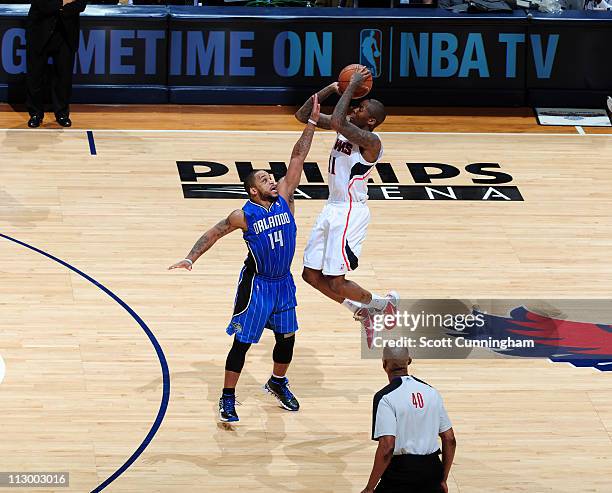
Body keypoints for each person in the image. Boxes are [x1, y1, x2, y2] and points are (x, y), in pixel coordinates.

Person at [169, 97, 320, 423]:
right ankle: (227, 398)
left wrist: (311, 124)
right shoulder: (244, 215)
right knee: (243, 343)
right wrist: (190, 257)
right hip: (258, 284)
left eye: (270, 177)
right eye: (264, 178)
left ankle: (278, 382)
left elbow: (298, 156)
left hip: (283, 283)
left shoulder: (286, 198)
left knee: (287, 339)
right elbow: (214, 232)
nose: (270, 179)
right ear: (252, 191)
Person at [295, 67, 398, 349]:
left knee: (336, 281)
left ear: (372, 120)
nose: (356, 106)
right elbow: (304, 115)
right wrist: (333, 88)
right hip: (332, 207)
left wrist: (352, 86)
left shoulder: (372, 142)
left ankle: (383, 306)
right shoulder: (345, 127)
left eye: (362, 107)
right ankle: (361, 310)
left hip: (351, 210)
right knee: (310, 275)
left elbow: (339, 121)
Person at [361, 346, 456, 493]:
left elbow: (387, 447)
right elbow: (449, 439)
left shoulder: (385, 397)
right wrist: (442, 479)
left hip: (401, 473)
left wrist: (369, 488)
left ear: (384, 364)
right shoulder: (432, 392)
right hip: (432, 470)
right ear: (409, 361)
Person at [25, 0, 87, 128]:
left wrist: (57, 4)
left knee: (63, 76)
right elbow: (42, 5)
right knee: (35, 75)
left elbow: (81, 4)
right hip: (39, 31)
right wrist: (64, 2)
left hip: (66, 33)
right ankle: (35, 114)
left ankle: (62, 113)